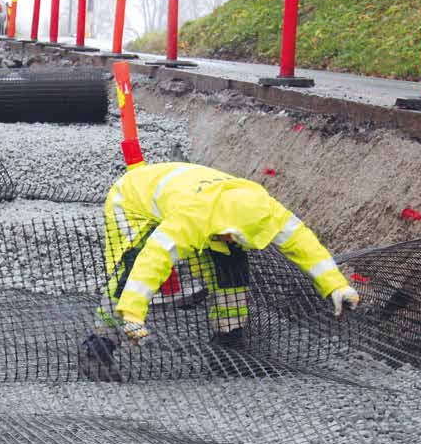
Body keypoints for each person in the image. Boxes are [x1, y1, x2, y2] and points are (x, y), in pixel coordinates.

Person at [80, 162, 360, 381]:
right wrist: (133, 315)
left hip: (193, 193)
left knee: (232, 263)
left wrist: (336, 285)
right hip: (133, 201)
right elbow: (153, 261)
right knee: (131, 268)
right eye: (229, 236)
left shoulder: (264, 209)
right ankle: (99, 348)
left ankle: (228, 346)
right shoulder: (192, 217)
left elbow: (303, 243)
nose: (230, 240)